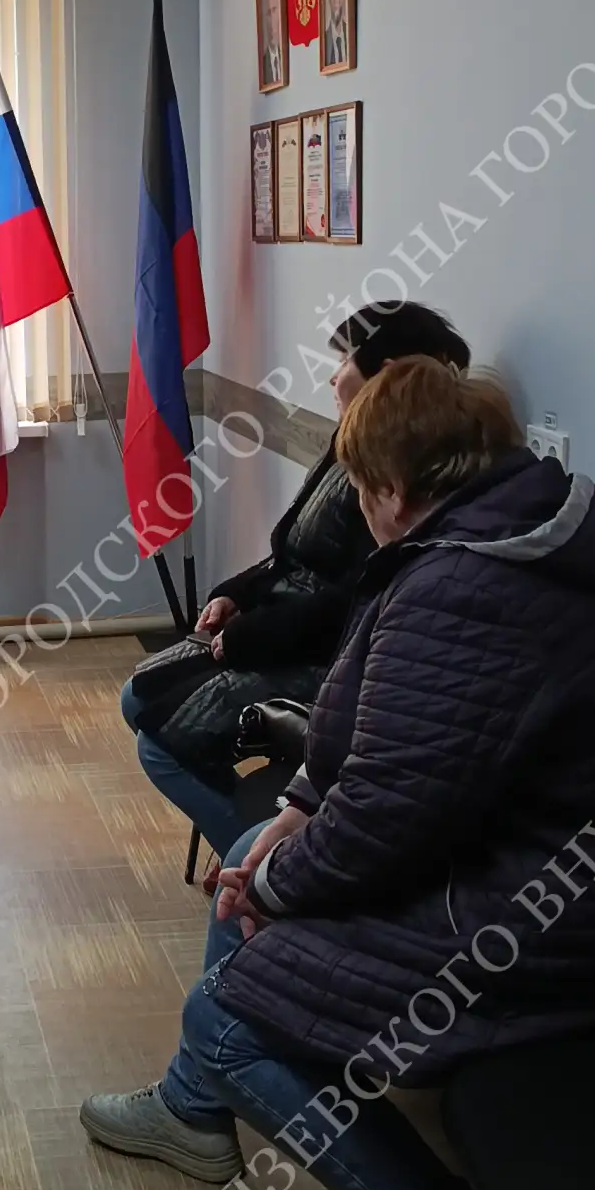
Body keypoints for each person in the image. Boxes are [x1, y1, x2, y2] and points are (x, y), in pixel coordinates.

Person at [83, 358, 595, 1190]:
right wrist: (291, 817)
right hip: (530, 879)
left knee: (227, 1017)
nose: (360, 508)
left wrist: (277, 882)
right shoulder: (499, 542)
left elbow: (391, 813)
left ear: (393, 489)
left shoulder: (465, 589)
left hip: (537, 920)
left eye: (360, 488)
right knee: (253, 863)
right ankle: (192, 1109)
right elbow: (381, 743)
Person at [120, 302, 471, 859]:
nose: (332, 378)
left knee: (161, 738)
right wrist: (234, 594)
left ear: (389, 374)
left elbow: (356, 603)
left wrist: (246, 637)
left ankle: (254, 859)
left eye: (344, 361)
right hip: (281, 629)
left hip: (320, 660)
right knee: (137, 697)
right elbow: (290, 554)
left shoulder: (409, 475)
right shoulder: (348, 444)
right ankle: (256, 837)